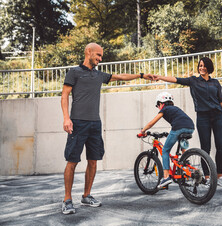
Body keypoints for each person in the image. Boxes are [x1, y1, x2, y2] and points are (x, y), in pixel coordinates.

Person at [61, 42, 153, 214]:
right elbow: (64, 95)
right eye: (98, 55)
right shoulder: (74, 72)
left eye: (101, 56)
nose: (100, 59)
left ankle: (86, 196)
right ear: (88, 52)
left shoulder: (99, 75)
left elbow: (120, 77)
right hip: (77, 122)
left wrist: (141, 75)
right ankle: (67, 200)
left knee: (93, 161)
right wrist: (66, 118)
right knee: (72, 161)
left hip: (95, 123)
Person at [153, 57, 222, 187]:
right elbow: (176, 80)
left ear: (209, 67)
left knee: (221, 147)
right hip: (203, 117)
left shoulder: (215, 83)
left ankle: (219, 177)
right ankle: (207, 177)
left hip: (218, 116)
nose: (202, 68)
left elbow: (221, 100)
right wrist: (160, 77)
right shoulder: (193, 81)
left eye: (204, 66)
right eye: (200, 66)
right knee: (205, 148)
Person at [139, 92, 194, 189]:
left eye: (157, 105)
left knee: (165, 150)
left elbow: (152, 122)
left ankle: (166, 177)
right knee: (181, 144)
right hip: (190, 127)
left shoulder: (164, 109)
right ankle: (186, 164)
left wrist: (143, 131)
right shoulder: (176, 109)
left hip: (178, 127)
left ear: (161, 103)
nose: (158, 107)